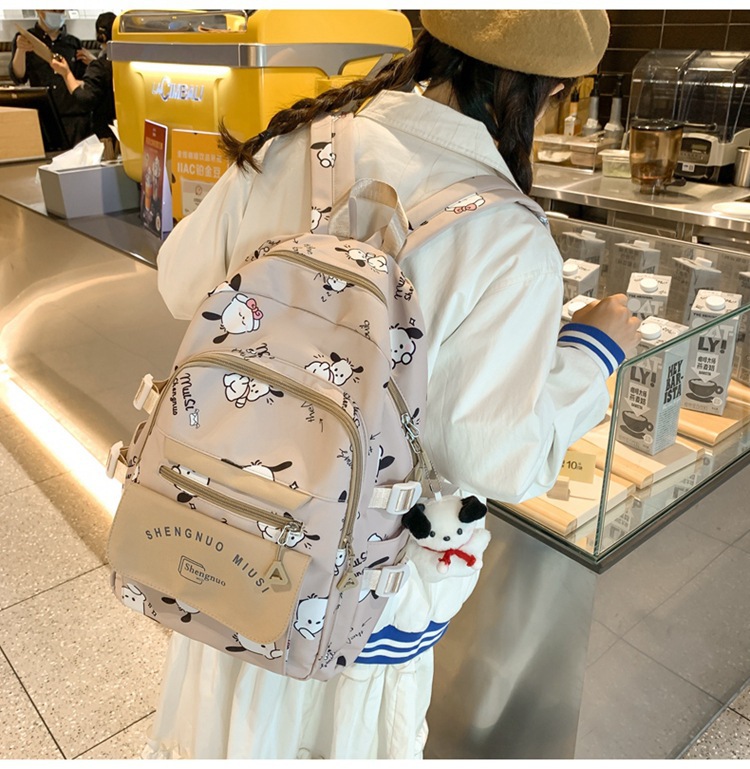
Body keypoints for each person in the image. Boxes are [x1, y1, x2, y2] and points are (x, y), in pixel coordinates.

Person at [144, 9, 639, 760]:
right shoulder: (509, 235)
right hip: (359, 593)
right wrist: (595, 351)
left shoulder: (301, 140)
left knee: (225, 732)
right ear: (544, 91)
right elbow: (490, 453)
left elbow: (180, 281)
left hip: (229, 532)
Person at [9, 9, 91, 147]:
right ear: (39, 10)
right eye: (53, 10)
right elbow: (18, 77)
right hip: (43, 119)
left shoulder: (73, 43)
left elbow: (83, 84)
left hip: (74, 120)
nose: (57, 14)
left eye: (61, 11)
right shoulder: (26, 38)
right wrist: (20, 50)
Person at [49, 12, 119, 160]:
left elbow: (85, 98)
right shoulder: (125, 61)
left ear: (100, 36)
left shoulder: (99, 66)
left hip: (106, 140)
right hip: (123, 136)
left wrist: (66, 73)